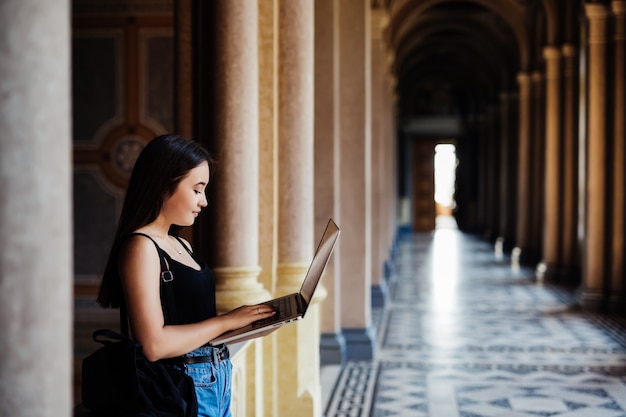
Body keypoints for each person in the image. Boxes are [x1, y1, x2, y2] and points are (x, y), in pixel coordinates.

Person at [96, 134, 276, 417]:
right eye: (197, 189)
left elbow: (192, 325)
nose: (204, 201)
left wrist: (249, 324)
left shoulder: (182, 244)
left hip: (216, 379)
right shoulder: (141, 247)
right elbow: (154, 345)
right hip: (180, 387)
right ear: (163, 185)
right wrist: (226, 321)